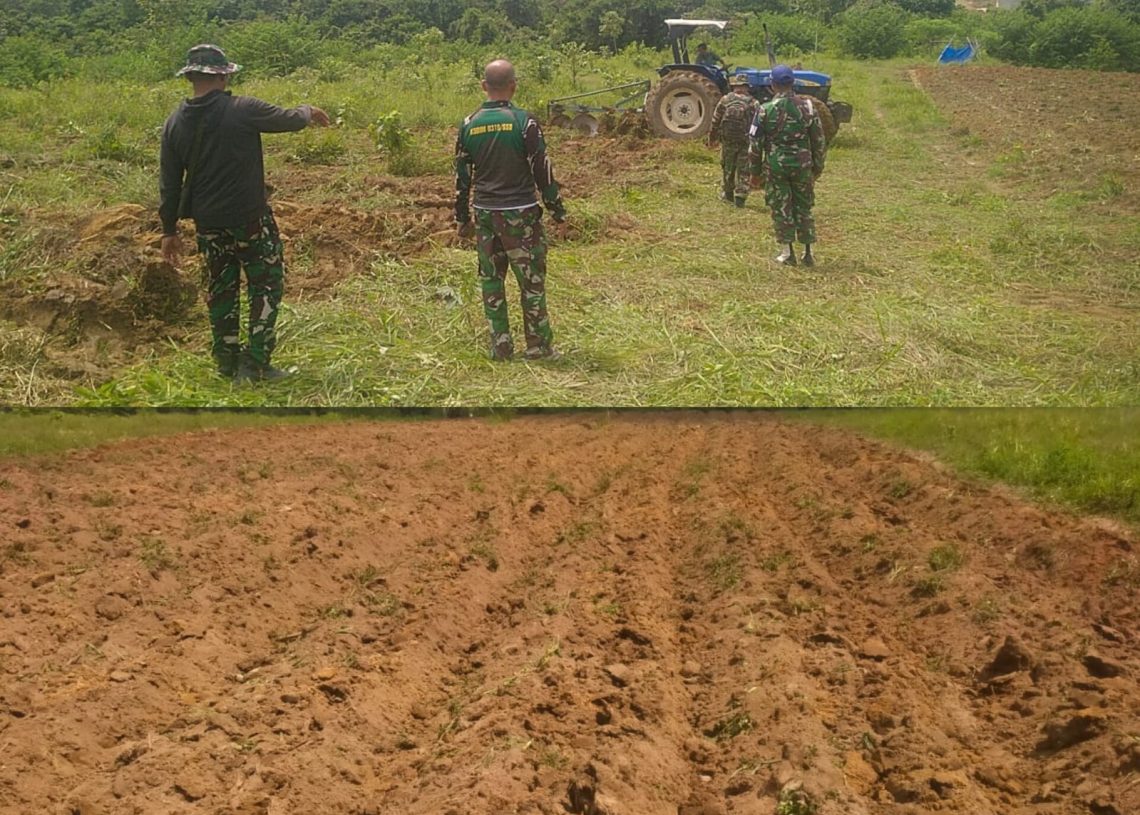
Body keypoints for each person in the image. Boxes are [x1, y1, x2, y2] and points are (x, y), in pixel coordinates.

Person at [159, 44, 330, 382]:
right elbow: (288, 119)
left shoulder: (174, 123)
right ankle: (256, 364)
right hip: (250, 220)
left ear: (190, 76)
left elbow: (169, 184)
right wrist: (308, 110)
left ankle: (226, 363)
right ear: (223, 75)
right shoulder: (242, 108)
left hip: (208, 226)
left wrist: (169, 231)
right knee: (265, 286)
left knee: (220, 290)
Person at [455, 59, 566, 362]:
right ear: (513, 85)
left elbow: (462, 177)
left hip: (486, 215)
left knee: (492, 281)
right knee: (531, 282)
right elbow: (542, 170)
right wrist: (557, 209)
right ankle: (538, 347)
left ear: (483, 86)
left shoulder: (468, 124)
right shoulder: (524, 122)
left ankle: (500, 346)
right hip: (521, 216)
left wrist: (462, 218)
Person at [749, 64, 826, 266]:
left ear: (773, 85)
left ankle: (787, 253)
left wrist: (754, 172)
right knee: (804, 206)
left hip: (776, 166)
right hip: (803, 165)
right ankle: (808, 253)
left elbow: (754, 145)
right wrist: (817, 167)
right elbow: (819, 141)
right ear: (793, 83)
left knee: (781, 207)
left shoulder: (764, 110)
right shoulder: (809, 107)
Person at [708, 75, 761, 208]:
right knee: (744, 168)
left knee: (728, 166)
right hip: (745, 141)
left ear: (734, 86)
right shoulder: (753, 102)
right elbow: (758, 124)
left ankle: (728, 193)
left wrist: (712, 137)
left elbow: (715, 120)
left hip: (728, 140)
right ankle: (740, 197)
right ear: (746, 87)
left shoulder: (725, 100)